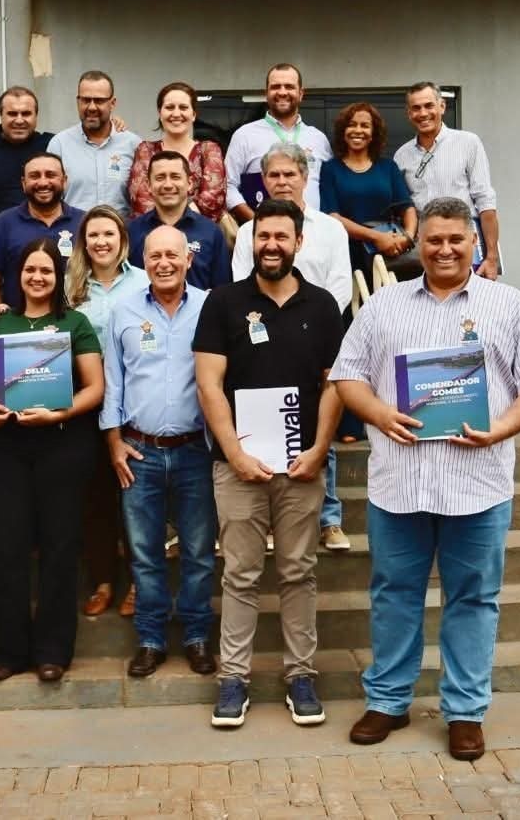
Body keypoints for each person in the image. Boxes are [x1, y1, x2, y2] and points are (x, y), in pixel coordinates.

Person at [330, 197, 520, 757]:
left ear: (474, 243)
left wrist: (500, 428)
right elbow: (347, 376)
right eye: (433, 239)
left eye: (456, 239)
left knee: (473, 599)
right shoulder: (382, 306)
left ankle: (465, 711)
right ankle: (388, 701)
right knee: (394, 595)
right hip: (400, 484)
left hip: (477, 484)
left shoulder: (512, 307)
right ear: (419, 243)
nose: (444, 249)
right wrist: (378, 413)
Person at [193, 198, 344, 729]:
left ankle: (300, 675)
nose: (271, 245)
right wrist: (235, 453)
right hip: (238, 467)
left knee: (299, 571)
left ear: (299, 242)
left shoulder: (323, 307)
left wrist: (319, 450)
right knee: (240, 573)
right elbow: (208, 384)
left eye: (281, 236)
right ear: (250, 241)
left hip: (302, 466)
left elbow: (334, 385)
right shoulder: (223, 302)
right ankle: (233, 679)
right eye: (263, 236)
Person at [0, 239, 105, 682]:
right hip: (5, 447)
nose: (38, 277)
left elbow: (95, 388)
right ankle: (9, 652)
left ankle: (53, 652)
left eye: (46, 270)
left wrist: (59, 413)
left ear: (58, 277)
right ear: (18, 275)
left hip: (62, 443)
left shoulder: (75, 323)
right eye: (30, 270)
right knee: (7, 548)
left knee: (60, 548)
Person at [102, 225, 217, 678]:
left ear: (188, 259)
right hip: (139, 452)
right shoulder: (123, 311)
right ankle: (150, 640)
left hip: (195, 450)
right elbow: (114, 381)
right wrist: (114, 442)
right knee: (144, 553)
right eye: (155, 256)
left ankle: (196, 635)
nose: (164, 263)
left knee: (199, 552)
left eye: (172, 255)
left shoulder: (211, 307)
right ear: (142, 260)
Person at [231, 143, 352, 553]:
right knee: (264, 424)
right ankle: (268, 520)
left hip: (316, 333)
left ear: (305, 177)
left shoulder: (330, 229)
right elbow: (241, 281)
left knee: (319, 418)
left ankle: (329, 520)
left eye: (290, 174)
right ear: (263, 181)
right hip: (260, 334)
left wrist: (314, 320)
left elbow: (340, 283)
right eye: (274, 175)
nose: (282, 181)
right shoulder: (248, 231)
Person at [65, 205, 148, 619]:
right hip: (85, 403)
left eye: (108, 234)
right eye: (93, 235)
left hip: (133, 403)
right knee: (95, 496)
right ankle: (102, 580)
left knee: (135, 495)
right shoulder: (70, 287)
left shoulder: (143, 282)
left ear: (123, 241)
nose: (101, 242)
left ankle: (137, 581)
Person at [393, 82, 501, 280]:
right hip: (427, 245)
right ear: (409, 114)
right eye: (416, 108)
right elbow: (404, 208)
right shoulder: (401, 155)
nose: (423, 113)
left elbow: (485, 200)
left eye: (429, 105)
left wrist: (492, 257)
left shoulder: (468, 142)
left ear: (442, 106)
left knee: (472, 296)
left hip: (465, 239)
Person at [321, 101, 417, 285]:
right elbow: (333, 217)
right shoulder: (330, 169)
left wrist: (407, 237)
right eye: (352, 125)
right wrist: (377, 237)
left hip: (389, 254)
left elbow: (407, 207)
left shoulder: (388, 167)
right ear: (343, 131)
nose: (358, 130)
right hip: (347, 254)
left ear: (373, 134)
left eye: (365, 125)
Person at [224, 63, 332, 222]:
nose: (282, 92)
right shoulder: (244, 135)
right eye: (275, 87)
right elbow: (227, 186)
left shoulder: (318, 138)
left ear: (301, 93)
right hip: (263, 232)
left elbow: (328, 188)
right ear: (266, 93)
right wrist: (257, 222)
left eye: (289, 86)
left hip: (313, 230)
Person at [0, 152, 85, 310]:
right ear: (23, 183)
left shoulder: (84, 222)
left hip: (75, 320)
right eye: (35, 176)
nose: (43, 182)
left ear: (64, 181)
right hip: (18, 322)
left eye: (50, 175)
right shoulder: (4, 223)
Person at [128, 152, 230, 290]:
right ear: (149, 185)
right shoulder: (132, 231)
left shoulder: (211, 233)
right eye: (160, 178)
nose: (168, 185)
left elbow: (222, 290)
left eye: (175, 177)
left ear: (189, 183)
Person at [127, 82, 226, 222]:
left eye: (183, 107)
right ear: (160, 113)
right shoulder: (146, 150)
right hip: (153, 232)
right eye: (169, 107)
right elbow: (141, 199)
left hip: (199, 231)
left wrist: (176, 218)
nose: (176, 113)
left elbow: (213, 199)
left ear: (193, 114)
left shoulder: (209, 150)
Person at [47, 70, 142, 216]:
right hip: (73, 229)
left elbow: (141, 199)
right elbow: (50, 199)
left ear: (112, 103)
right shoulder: (59, 144)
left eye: (99, 101)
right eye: (86, 100)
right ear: (78, 101)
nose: (91, 107)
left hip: (120, 228)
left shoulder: (133, 144)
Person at [0, 86, 54, 219]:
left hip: (46, 229)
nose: (19, 120)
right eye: (12, 114)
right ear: (1, 115)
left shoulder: (52, 146)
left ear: (36, 116)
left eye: (26, 114)